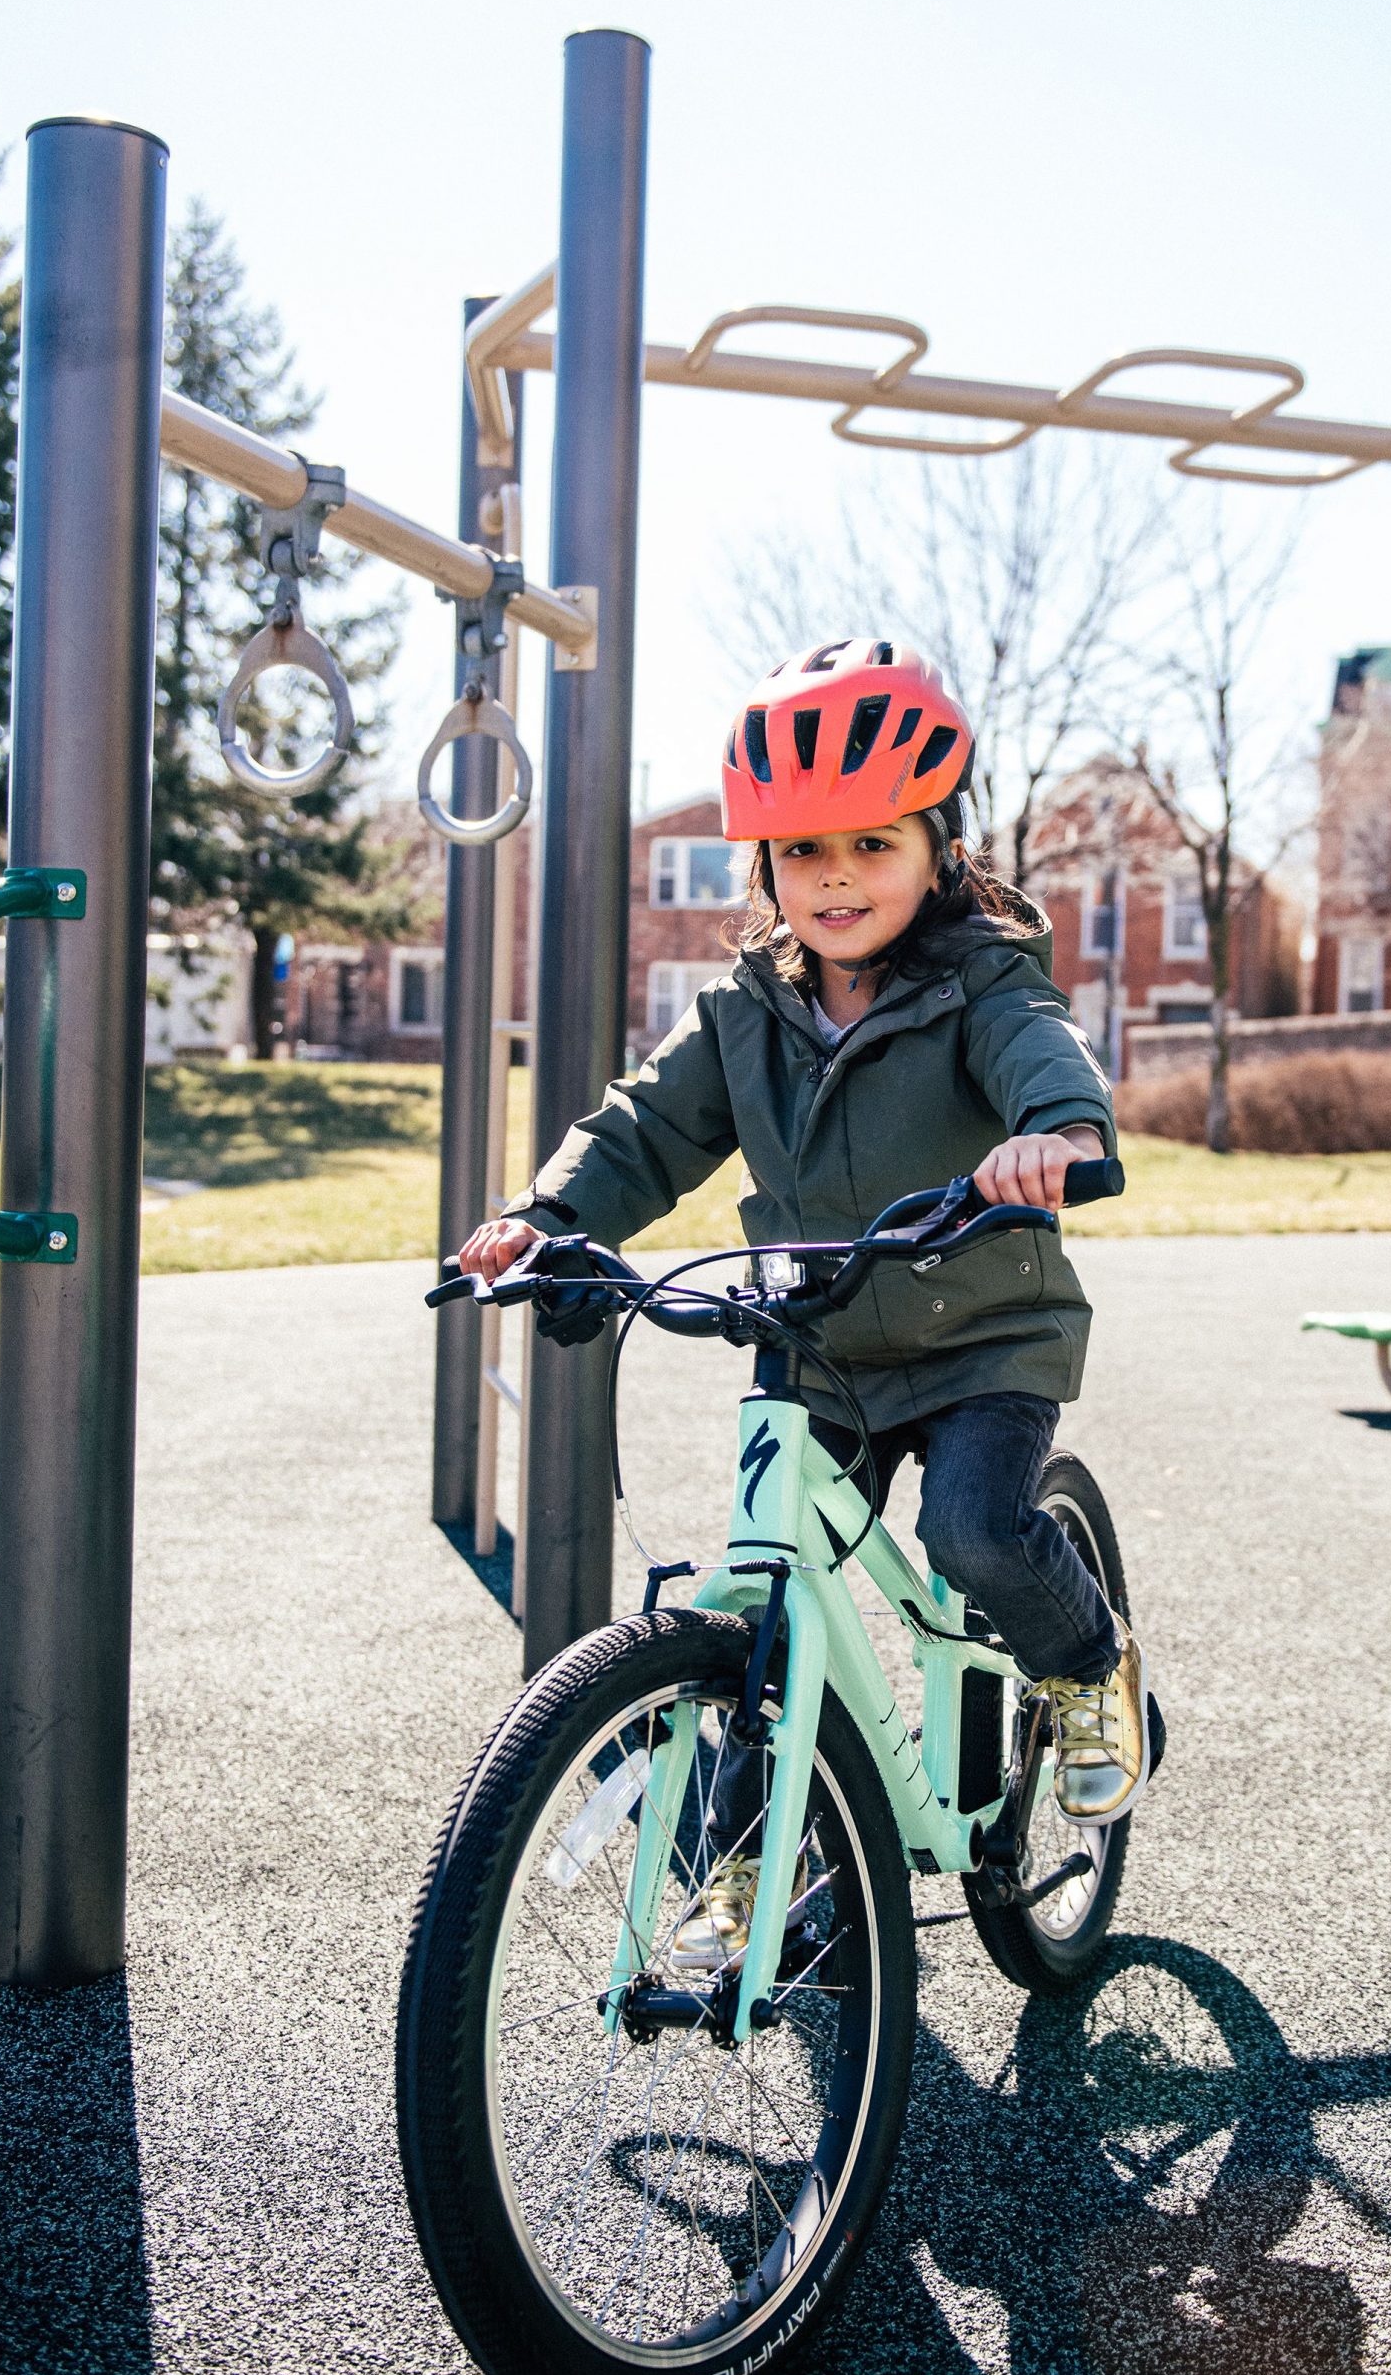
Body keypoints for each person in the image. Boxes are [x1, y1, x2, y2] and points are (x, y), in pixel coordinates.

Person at [458, 637, 1151, 1971]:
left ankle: (1084, 1672)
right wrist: (551, 1220)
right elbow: (646, 1128)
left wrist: (1054, 1134)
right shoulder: (743, 1011)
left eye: (871, 846)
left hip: (981, 1336)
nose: (836, 880)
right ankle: (737, 1859)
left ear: (937, 851)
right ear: (763, 869)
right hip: (818, 1341)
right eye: (802, 853)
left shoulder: (981, 980)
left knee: (973, 1526)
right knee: (767, 1598)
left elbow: (1042, 1055)